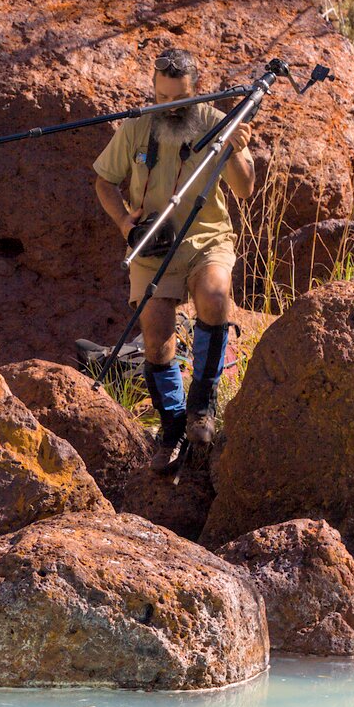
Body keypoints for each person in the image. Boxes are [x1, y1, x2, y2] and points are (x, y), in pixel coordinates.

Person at [86, 47, 254, 473]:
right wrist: (126, 223)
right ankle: (173, 427)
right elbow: (104, 180)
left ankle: (202, 404)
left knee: (215, 297)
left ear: (195, 92)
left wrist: (234, 149)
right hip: (154, 244)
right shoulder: (137, 126)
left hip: (206, 236)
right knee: (156, 333)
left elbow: (245, 188)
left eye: (178, 98)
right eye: (161, 96)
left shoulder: (219, 124)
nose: (169, 106)